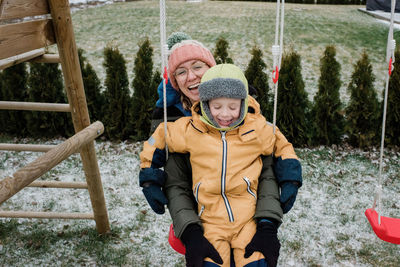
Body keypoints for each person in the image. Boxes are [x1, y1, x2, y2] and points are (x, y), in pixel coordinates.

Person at [141, 64, 299, 266]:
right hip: (209, 220)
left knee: (257, 260)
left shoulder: (256, 128)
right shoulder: (191, 130)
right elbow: (159, 138)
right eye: (217, 107)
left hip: (248, 220)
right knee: (208, 261)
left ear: (243, 103)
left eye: (233, 107)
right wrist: (149, 175)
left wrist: (291, 178)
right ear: (205, 104)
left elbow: (282, 146)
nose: (225, 114)